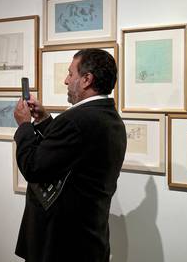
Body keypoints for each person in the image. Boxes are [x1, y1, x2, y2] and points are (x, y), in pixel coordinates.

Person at [13, 48, 127, 262]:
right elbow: (71, 150)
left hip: (62, 246)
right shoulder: (109, 118)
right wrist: (46, 120)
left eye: (70, 74)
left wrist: (24, 126)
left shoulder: (76, 120)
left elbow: (34, 167)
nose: (66, 80)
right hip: (88, 241)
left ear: (86, 79)